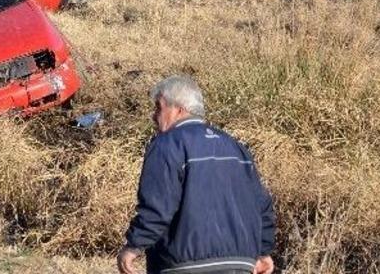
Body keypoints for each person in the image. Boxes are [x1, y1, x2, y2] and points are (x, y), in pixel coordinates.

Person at [117, 76, 276, 274]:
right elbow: (262, 204)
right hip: (240, 264)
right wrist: (263, 251)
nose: (153, 115)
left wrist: (134, 246)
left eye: (158, 108)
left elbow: (158, 205)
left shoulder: (168, 144)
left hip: (184, 265)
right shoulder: (236, 148)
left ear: (179, 109)